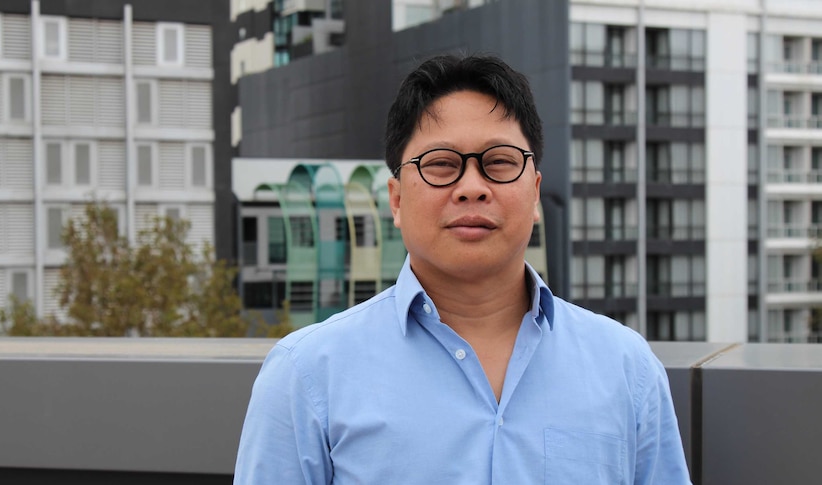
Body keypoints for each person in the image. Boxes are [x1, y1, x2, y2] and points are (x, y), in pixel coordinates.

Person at [233, 53, 691, 484]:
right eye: (441, 165)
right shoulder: (308, 374)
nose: (472, 188)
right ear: (396, 199)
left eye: (499, 163)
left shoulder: (627, 369)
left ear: (534, 193)